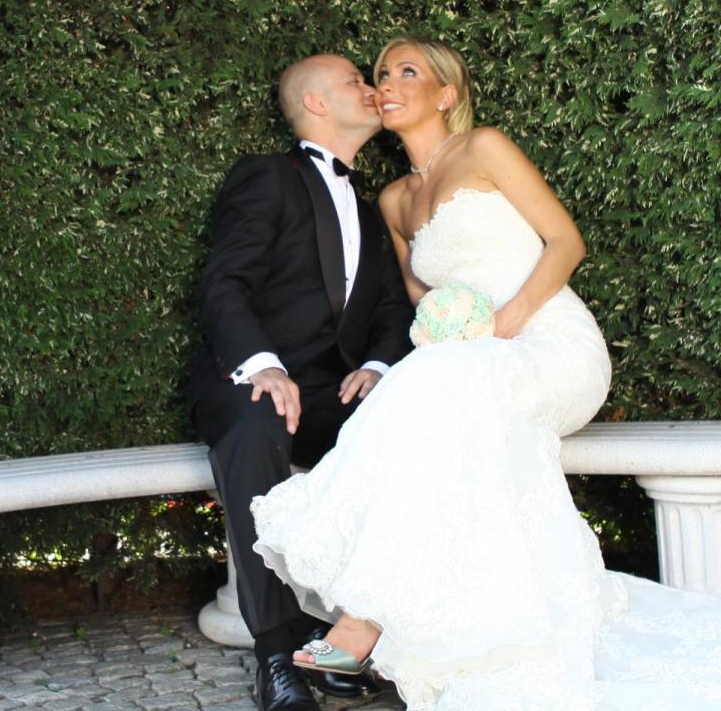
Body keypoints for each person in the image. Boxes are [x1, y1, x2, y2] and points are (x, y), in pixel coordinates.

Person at [252, 36, 721, 710]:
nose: (388, 82)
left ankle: (362, 622)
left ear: (446, 93)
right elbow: (420, 295)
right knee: (432, 393)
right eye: (382, 72)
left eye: (408, 71)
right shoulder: (395, 200)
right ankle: (401, 623)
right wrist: (450, 327)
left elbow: (566, 241)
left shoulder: (484, 148)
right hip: (469, 363)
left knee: (436, 387)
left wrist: (505, 321)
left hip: (549, 341)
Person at [186, 53, 413, 710]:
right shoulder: (267, 176)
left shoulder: (369, 208)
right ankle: (276, 653)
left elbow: (392, 310)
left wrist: (377, 368)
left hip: (331, 390)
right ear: (316, 103)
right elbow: (224, 282)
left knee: (411, 425)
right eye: (354, 82)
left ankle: (351, 641)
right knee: (260, 416)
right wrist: (263, 364)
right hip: (248, 378)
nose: (371, 90)